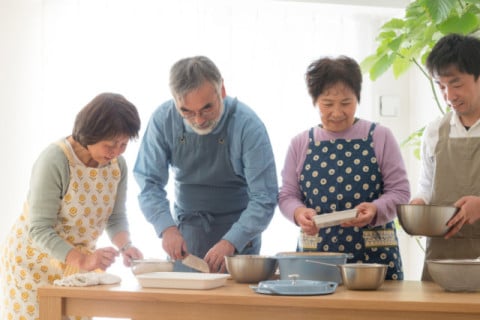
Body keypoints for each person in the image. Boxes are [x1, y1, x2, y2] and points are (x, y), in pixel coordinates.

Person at [0, 92, 143, 320]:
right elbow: (39, 228)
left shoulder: (117, 166)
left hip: (76, 267)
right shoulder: (55, 160)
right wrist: (84, 260)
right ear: (90, 134)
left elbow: (115, 218)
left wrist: (126, 246)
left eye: (124, 144)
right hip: (32, 263)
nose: (116, 152)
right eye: (110, 145)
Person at [133, 55, 278, 273]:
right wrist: (167, 229)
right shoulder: (163, 120)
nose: (199, 120)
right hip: (186, 237)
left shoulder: (248, 125)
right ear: (175, 101)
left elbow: (265, 197)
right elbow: (148, 183)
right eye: (187, 112)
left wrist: (231, 241)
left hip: (240, 240)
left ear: (222, 91)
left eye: (207, 108)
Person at [278, 55, 410, 280]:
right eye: (327, 104)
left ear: (357, 99)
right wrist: (299, 213)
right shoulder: (301, 143)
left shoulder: (380, 136)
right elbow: (287, 195)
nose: (337, 113)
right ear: (314, 101)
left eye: (346, 103)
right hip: (316, 256)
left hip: (374, 259)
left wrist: (376, 209)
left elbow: (400, 193)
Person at [409, 33, 480, 281]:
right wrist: (419, 204)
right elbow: (427, 187)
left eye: (456, 84)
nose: (449, 96)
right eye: (441, 86)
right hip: (442, 261)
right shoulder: (434, 132)